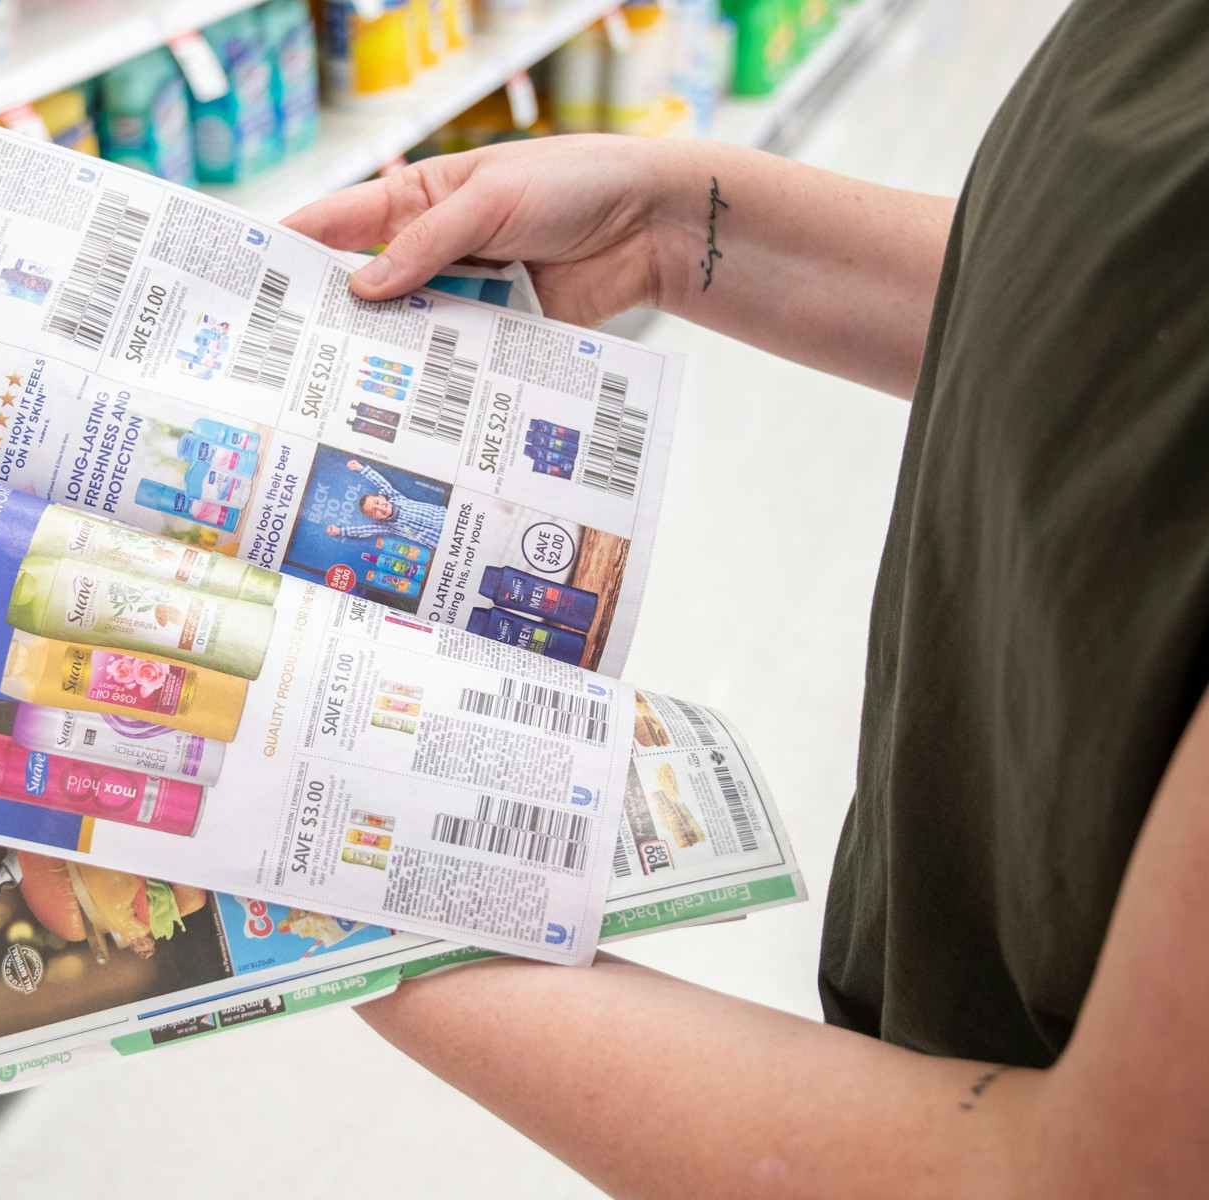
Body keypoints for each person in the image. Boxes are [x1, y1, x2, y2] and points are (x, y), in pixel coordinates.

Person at [282, 3, 1207, 1195]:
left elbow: (1090, 1177)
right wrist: (669, 221)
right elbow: (1131, 311)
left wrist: (334, 894)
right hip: (973, 914)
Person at [321, 458, 445, 548]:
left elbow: (381, 483)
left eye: (377, 502)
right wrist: (340, 531)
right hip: (440, 541)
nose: (380, 508)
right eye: (375, 511)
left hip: (444, 517)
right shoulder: (386, 526)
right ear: (375, 518)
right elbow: (363, 530)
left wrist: (361, 469)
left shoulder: (395, 498)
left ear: (382, 497)